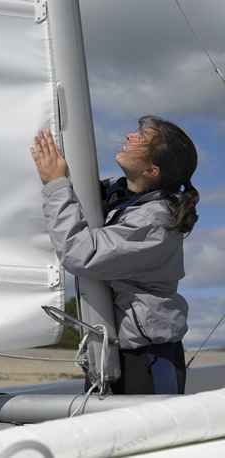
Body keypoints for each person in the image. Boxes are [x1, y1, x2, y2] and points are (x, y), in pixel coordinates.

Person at [30, 115, 199, 395]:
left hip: (147, 358)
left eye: (143, 139)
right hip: (112, 350)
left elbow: (82, 252)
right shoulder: (118, 200)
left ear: (152, 170)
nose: (132, 136)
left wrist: (56, 185)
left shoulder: (156, 221)